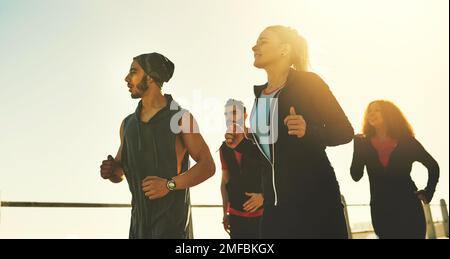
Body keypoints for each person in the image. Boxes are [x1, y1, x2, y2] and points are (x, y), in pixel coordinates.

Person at [225, 25, 354, 238]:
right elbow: (271, 156)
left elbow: (344, 131)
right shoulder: (260, 98)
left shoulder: (309, 83)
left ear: (284, 49)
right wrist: (242, 144)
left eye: (263, 41)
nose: (254, 46)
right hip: (275, 212)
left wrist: (308, 131)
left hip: (316, 204)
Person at [100, 52, 215, 239]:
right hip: (138, 227)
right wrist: (111, 170)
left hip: (173, 227)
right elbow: (119, 174)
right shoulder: (127, 124)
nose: (126, 78)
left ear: (151, 77)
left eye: (133, 72)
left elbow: (208, 166)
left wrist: (168, 185)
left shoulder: (180, 118)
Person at [351, 100, 439, 239]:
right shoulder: (363, 143)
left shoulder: (407, 141)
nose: (372, 114)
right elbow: (356, 175)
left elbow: (433, 166)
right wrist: (358, 147)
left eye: (377, 110)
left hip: (409, 208)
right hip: (381, 211)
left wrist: (429, 192)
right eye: (370, 111)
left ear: (388, 114)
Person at [220, 99, 264, 239]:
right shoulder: (224, 148)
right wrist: (225, 212)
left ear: (245, 116)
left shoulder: (260, 140)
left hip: (262, 214)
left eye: (234, 113)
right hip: (236, 216)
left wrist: (264, 197)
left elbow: (276, 175)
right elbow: (225, 182)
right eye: (226, 114)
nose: (230, 117)